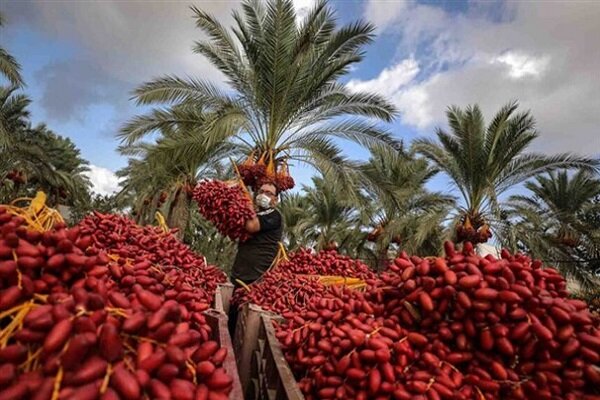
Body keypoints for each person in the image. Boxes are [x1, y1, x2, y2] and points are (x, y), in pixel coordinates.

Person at [228, 182, 283, 335]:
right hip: (240, 273)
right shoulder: (256, 213)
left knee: (243, 318)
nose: (264, 195)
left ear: (275, 199)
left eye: (269, 193)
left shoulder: (274, 215)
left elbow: (251, 226)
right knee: (232, 316)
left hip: (256, 277)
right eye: (261, 191)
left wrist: (244, 201)